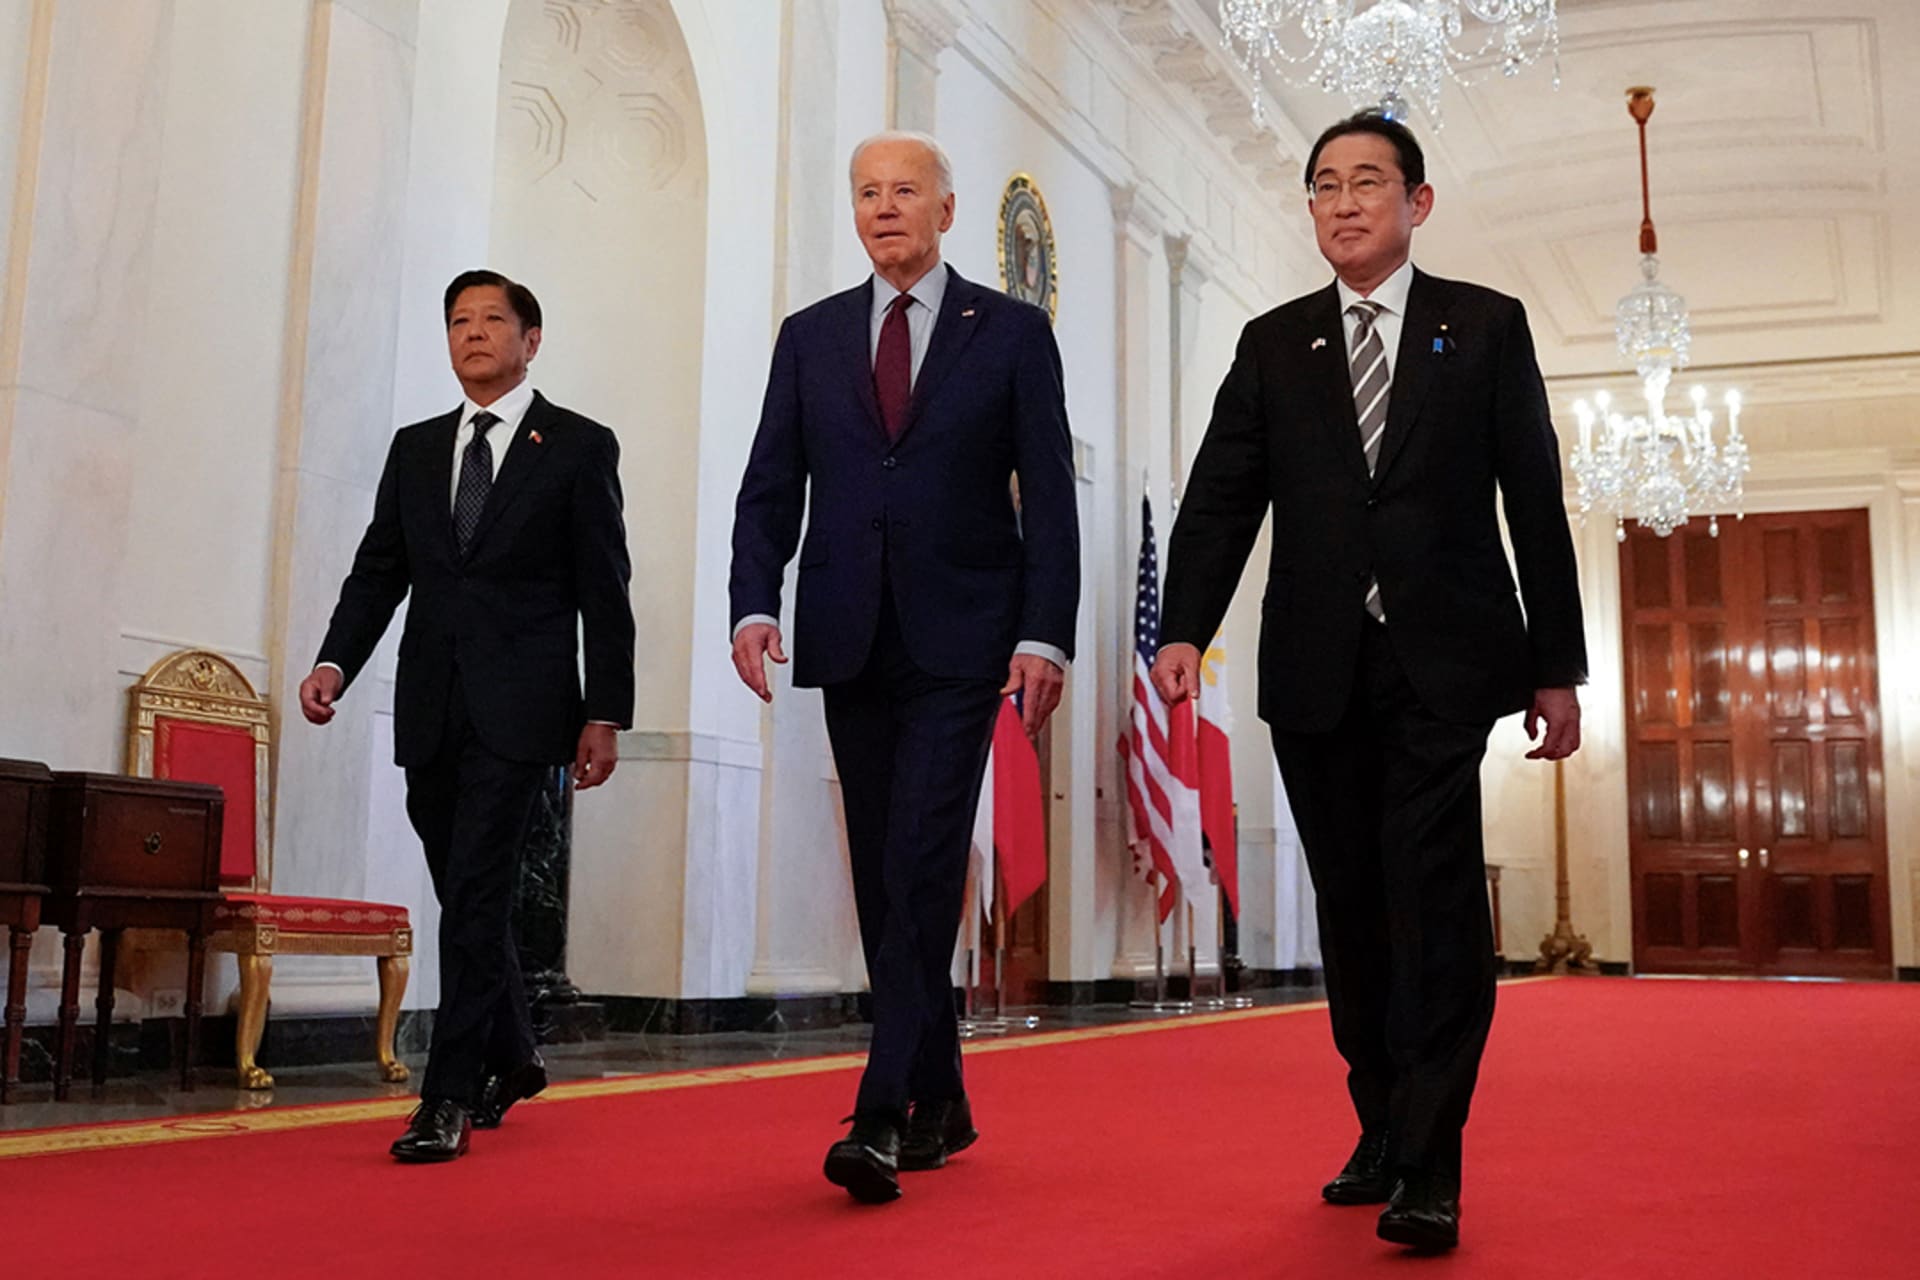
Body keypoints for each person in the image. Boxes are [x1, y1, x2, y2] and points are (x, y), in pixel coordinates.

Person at [1151, 111, 1586, 1252]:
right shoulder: (1272, 342)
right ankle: (1382, 1122)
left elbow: (1532, 500)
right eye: (1325, 186)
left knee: (1433, 904)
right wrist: (1182, 626)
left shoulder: (1484, 328)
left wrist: (1557, 665)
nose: (1344, 203)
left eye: (1368, 183)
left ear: (1417, 202)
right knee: (1352, 907)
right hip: (1316, 665)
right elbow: (1219, 496)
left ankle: (1432, 1164)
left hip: (1445, 665)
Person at [729, 131, 1079, 1203]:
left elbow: (1052, 490)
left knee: (921, 857)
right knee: (886, 868)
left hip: (965, 637)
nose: (884, 209)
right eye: (868, 193)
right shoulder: (811, 335)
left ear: (948, 208)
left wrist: (1043, 631)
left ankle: (879, 1111)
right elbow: (768, 484)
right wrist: (752, 600)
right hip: (845, 631)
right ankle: (945, 1098)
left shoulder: (1012, 333)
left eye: (904, 192)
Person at [300, 270, 634, 1163]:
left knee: (477, 891)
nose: (473, 335)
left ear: (531, 340)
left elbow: (606, 592)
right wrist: (336, 660)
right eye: (458, 322)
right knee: (464, 892)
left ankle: (443, 1097)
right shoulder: (414, 448)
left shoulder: (575, 445)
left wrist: (606, 712)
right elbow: (380, 572)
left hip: (525, 712)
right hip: (430, 703)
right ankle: (517, 1053)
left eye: (492, 320)